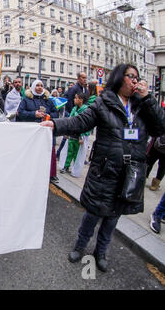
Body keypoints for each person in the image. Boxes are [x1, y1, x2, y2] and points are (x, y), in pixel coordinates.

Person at [41, 64, 165, 272]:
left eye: (137, 77)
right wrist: (55, 124)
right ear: (119, 78)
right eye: (130, 76)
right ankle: (80, 246)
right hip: (105, 171)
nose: (135, 81)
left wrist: (148, 99)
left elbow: (160, 128)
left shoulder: (142, 105)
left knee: (113, 217)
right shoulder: (104, 102)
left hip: (129, 174)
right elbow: (80, 122)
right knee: (93, 214)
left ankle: (101, 251)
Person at [18, 80, 59, 183]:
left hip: (46, 130)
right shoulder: (26, 99)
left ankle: (51, 174)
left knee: (49, 151)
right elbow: (21, 112)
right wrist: (33, 114)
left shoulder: (48, 100)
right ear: (32, 87)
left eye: (41, 85)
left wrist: (48, 116)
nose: (40, 87)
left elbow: (56, 114)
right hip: (32, 131)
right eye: (37, 85)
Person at [59, 92, 90, 177]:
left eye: (76, 98)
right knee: (69, 152)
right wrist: (66, 131)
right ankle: (66, 166)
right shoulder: (74, 109)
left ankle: (75, 169)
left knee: (77, 154)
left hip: (80, 136)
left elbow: (86, 125)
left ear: (81, 100)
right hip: (72, 135)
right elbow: (70, 120)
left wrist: (82, 136)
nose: (74, 99)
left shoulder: (86, 110)